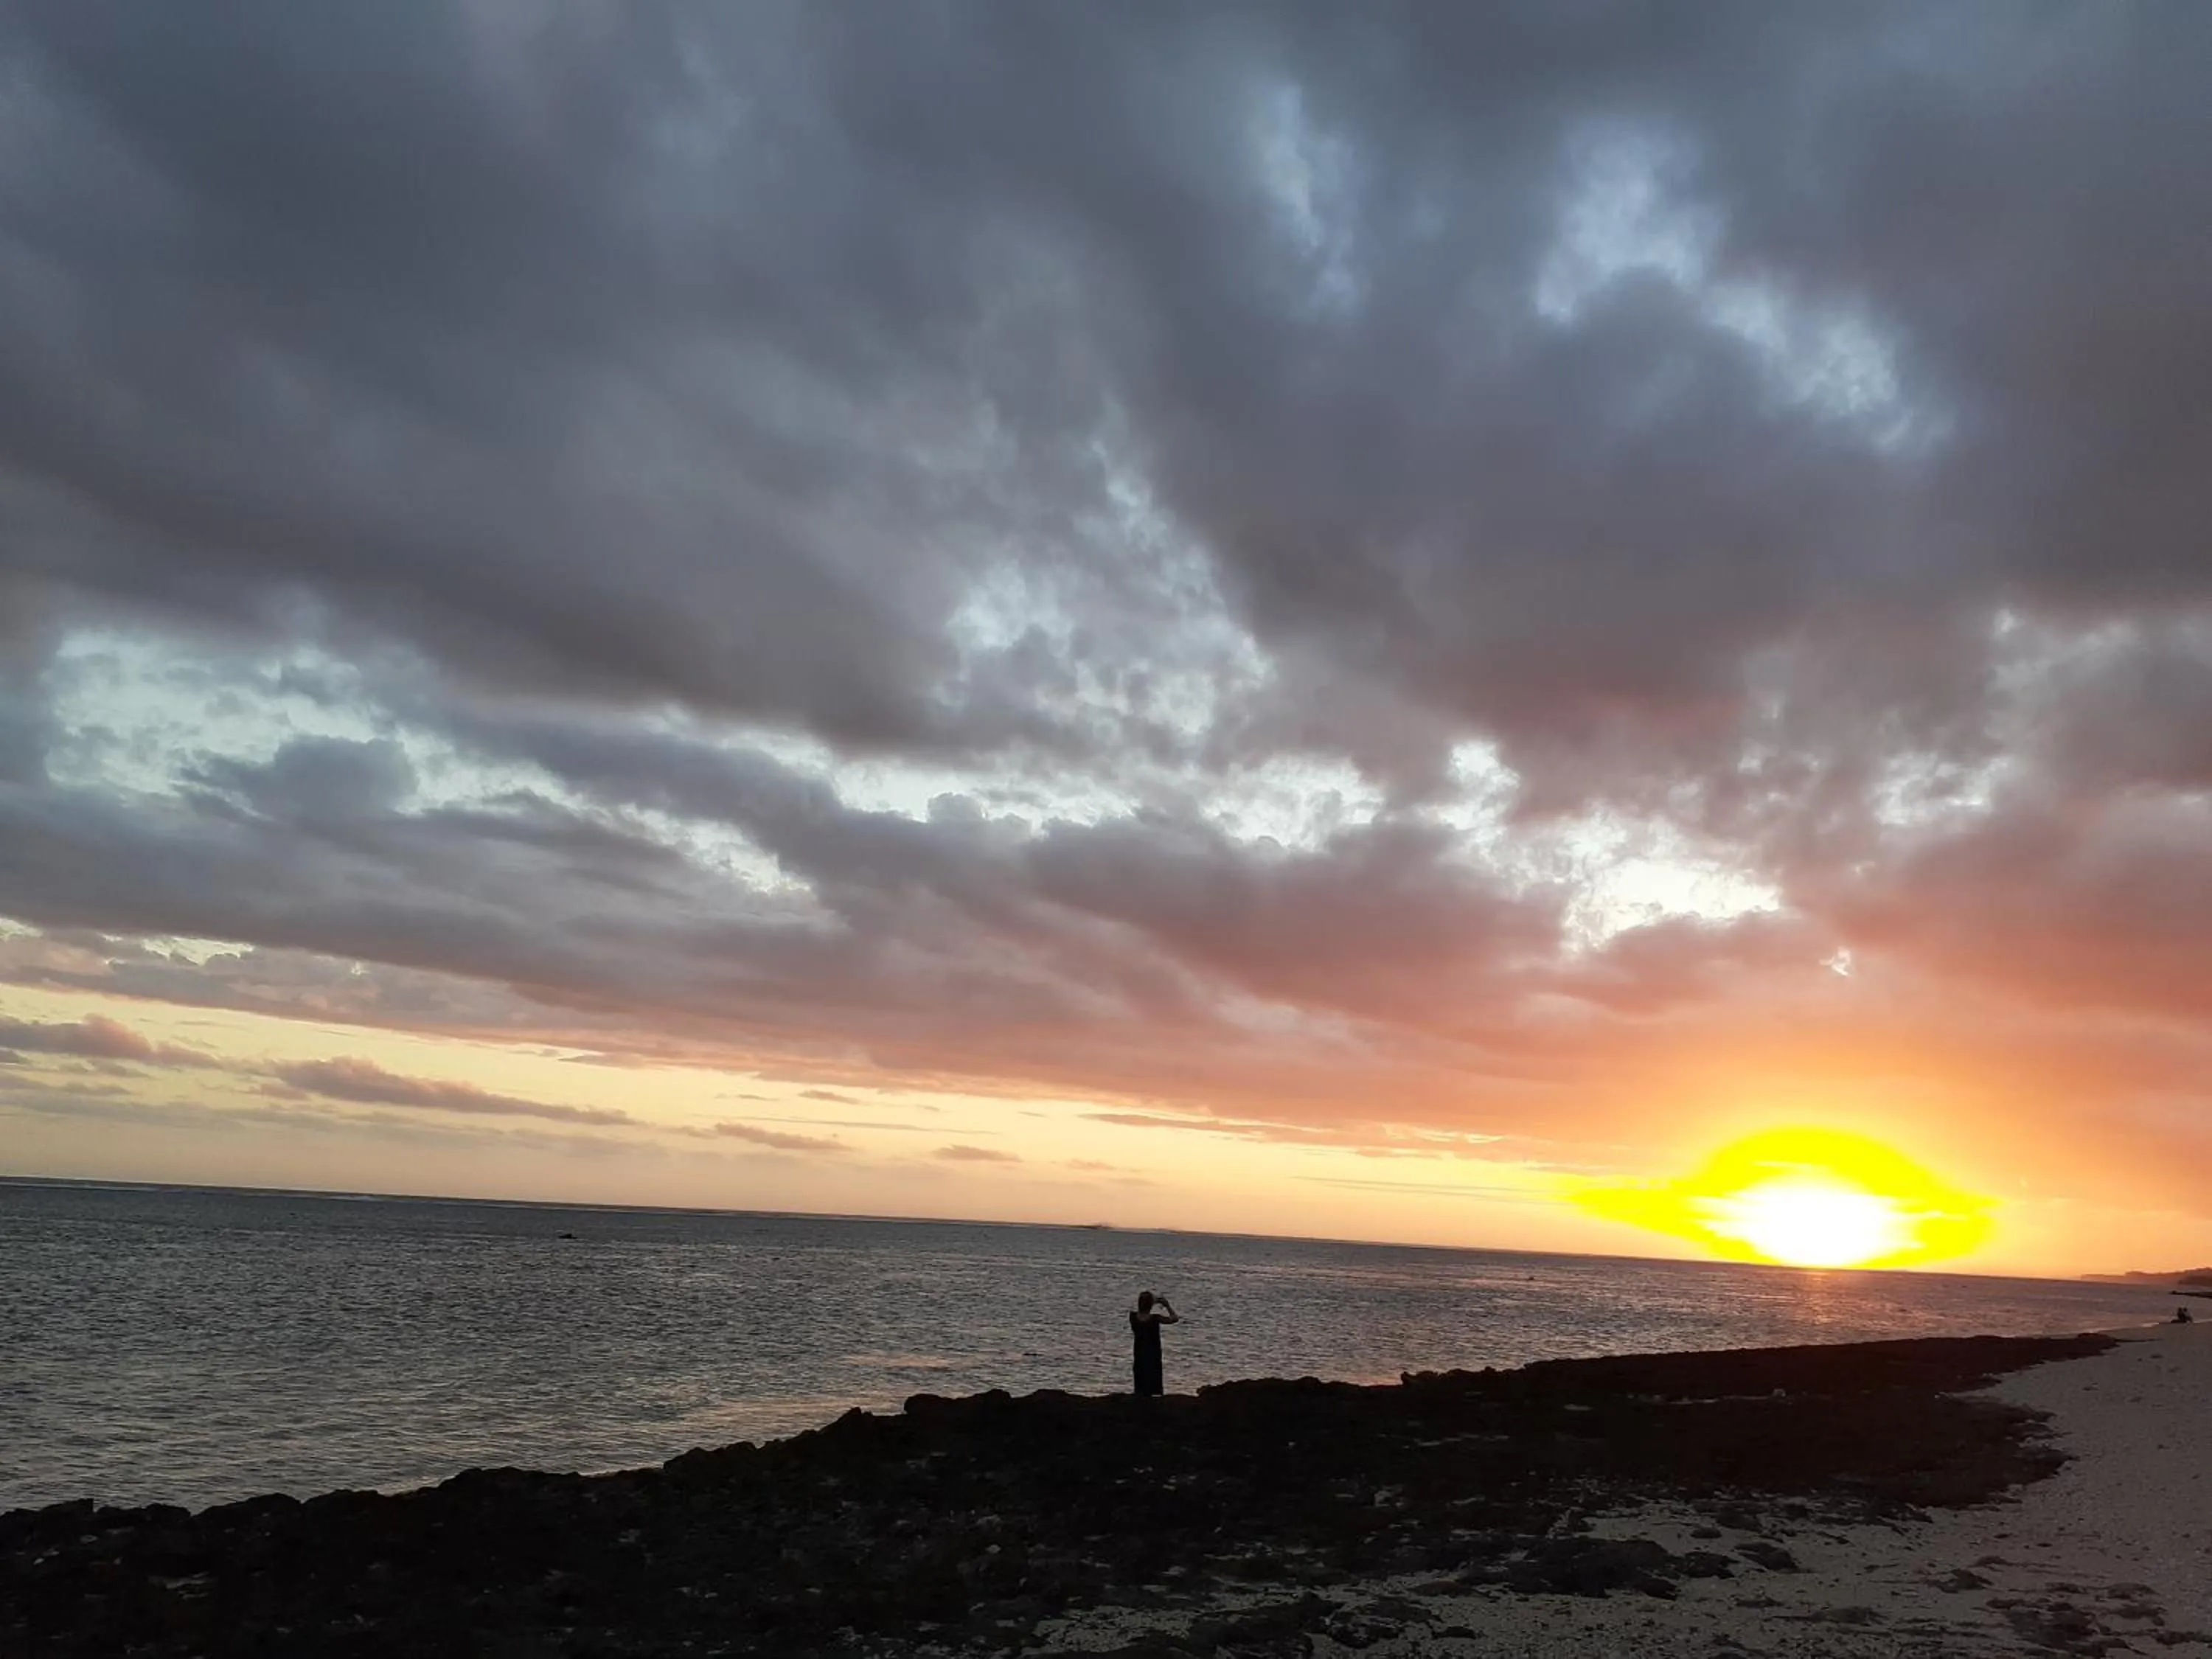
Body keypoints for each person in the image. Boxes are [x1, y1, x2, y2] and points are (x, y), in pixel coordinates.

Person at [1130, 1289, 1179, 1396]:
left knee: (1140, 1375)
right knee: (1153, 1376)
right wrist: (1167, 1305)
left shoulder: (1133, 1317)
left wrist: (1153, 1301)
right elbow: (1174, 1319)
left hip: (1139, 1352)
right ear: (1150, 1305)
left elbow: (1143, 1310)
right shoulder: (1155, 1319)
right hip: (1153, 1353)